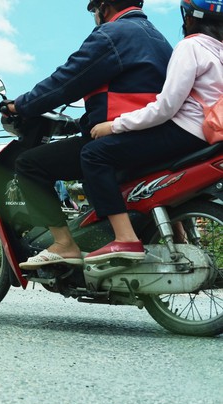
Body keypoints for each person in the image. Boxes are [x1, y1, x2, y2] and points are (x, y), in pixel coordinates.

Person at [1, 0, 174, 270]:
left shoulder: (111, 35)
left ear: (103, 7)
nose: (94, 15)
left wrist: (20, 105)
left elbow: (67, 80)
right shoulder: (158, 37)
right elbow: (128, 89)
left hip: (121, 136)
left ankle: (63, 244)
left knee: (29, 164)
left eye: (93, 9)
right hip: (155, 135)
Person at [83, 0, 223, 263]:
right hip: (208, 137)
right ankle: (177, 239)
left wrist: (114, 125)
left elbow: (165, 107)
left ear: (189, 18)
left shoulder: (191, 46)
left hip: (184, 132)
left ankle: (125, 238)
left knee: (94, 155)